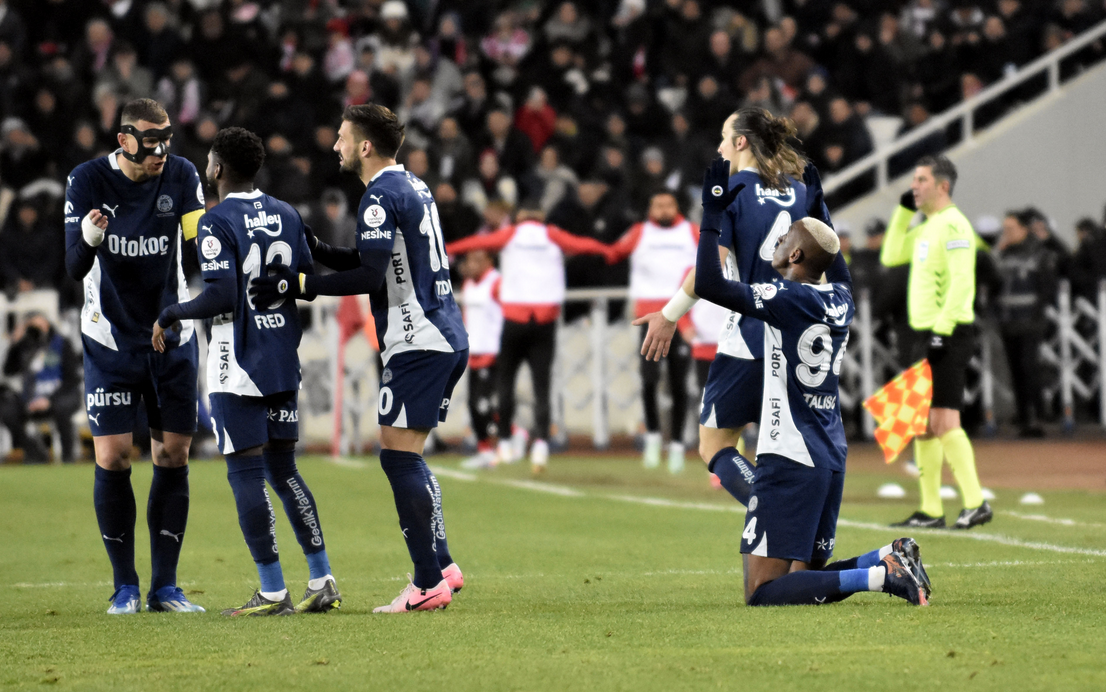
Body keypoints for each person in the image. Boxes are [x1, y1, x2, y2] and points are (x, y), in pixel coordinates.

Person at [249, 104, 466, 613]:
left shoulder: (376, 197)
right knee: (407, 453)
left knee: (397, 457)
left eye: (343, 138)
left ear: (364, 146)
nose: (336, 147)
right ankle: (443, 565)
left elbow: (369, 279)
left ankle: (426, 582)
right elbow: (379, 262)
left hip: (418, 341)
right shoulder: (412, 186)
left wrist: (298, 284)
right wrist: (321, 249)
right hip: (444, 333)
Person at [694, 159, 929, 607]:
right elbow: (834, 260)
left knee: (762, 593)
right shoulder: (841, 298)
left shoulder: (787, 299)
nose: (776, 243)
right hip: (830, 451)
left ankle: (882, 577)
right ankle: (888, 557)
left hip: (789, 455)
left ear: (796, 257)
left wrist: (711, 215)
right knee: (806, 581)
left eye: (784, 240)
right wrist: (820, 210)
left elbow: (709, 283)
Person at [153, 126, 341, 616]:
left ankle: (273, 590)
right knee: (285, 470)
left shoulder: (218, 222)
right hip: (282, 355)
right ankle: (321, 578)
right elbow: (302, 280)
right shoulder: (286, 213)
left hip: (238, 360)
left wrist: (173, 312)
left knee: (245, 473)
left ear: (216, 168)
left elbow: (221, 294)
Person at [633, 108, 831, 506]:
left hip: (751, 333)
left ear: (741, 142)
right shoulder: (799, 189)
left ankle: (770, 509)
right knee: (790, 445)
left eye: (724, 137)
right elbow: (822, 268)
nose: (720, 146)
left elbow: (708, 268)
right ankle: (797, 521)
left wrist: (669, 315)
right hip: (802, 332)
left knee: (715, 444)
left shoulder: (732, 190)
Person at [64, 98, 206, 615]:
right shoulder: (86, 181)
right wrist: (88, 237)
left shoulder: (183, 175)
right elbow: (74, 267)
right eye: (151, 142)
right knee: (113, 456)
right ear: (124, 139)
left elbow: (198, 247)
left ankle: (165, 588)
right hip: (110, 341)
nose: (161, 151)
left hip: (172, 336)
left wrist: (218, 283)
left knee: (173, 455)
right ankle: (124, 586)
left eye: (167, 139)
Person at [444, 199, 614, 473]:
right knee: (541, 387)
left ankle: (507, 442)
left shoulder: (511, 234)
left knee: (505, 384)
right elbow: (582, 245)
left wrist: (448, 247)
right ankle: (541, 446)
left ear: (520, 218)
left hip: (515, 319)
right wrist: (607, 251)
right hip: (544, 320)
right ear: (542, 217)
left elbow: (477, 243)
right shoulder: (552, 235)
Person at [880, 155, 992, 530]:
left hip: (947, 331)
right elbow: (891, 254)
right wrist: (902, 212)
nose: (915, 186)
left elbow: (962, 283)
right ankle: (930, 510)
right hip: (924, 333)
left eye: (922, 179)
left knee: (944, 420)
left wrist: (942, 331)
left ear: (942, 186)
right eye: (914, 179)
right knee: (923, 424)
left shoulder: (955, 225)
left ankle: (975, 502)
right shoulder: (929, 226)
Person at [607, 190, 699, 472]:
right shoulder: (639, 232)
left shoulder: (692, 232)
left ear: (676, 207)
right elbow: (612, 254)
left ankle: (677, 446)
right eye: (657, 205)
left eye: (668, 204)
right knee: (648, 381)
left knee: (679, 384)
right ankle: (653, 437)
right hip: (648, 319)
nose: (663, 210)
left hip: (680, 317)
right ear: (650, 208)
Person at [994, 210, 1056, 438]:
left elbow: (1047, 289)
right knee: (1016, 371)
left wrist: (1038, 317)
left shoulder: (1039, 255)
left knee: (1029, 368)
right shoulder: (1003, 255)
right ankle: (1023, 416)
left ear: (1023, 229)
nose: (1007, 233)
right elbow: (995, 284)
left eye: (1011, 229)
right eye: (1005, 229)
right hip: (1008, 322)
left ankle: (1037, 416)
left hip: (1030, 322)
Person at [0, 313, 81, 463]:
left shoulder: (62, 343)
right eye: (31, 325)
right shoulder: (25, 346)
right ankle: (34, 452)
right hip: (31, 398)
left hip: (58, 396)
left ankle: (68, 457)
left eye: (39, 324)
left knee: (62, 408)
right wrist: (14, 344)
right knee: (7, 410)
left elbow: (72, 379)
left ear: (47, 324)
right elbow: (8, 370)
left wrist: (49, 400)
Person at [457, 249, 504, 469]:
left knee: (484, 404)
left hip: (492, 351)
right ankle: (485, 450)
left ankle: (512, 434)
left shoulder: (496, 283)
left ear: (489, 260)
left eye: (477, 259)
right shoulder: (468, 285)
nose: (472, 265)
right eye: (469, 260)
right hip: (474, 352)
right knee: (473, 405)